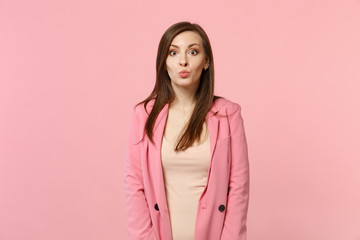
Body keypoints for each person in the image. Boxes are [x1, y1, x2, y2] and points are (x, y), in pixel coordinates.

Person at [124, 21, 250, 240]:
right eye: (173, 53)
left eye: (193, 52)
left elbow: (238, 187)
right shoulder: (143, 115)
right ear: (163, 63)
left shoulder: (228, 115)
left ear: (206, 61)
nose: (183, 61)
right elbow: (134, 185)